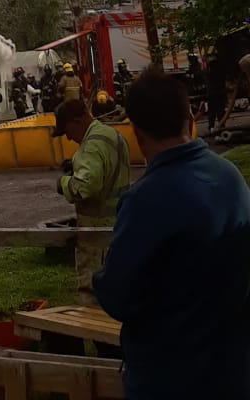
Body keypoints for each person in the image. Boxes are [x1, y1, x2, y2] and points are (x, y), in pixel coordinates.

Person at [94, 70, 250, 400]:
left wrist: (101, 274)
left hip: (169, 379)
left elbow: (117, 296)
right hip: (234, 370)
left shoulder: (145, 200)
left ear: (137, 134)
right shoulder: (230, 177)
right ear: (191, 118)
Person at [53, 98, 130, 304]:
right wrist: (77, 164)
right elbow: (105, 172)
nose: (68, 138)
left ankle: (97, 333)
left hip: (96, 235)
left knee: (94, 297)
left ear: (77, 121)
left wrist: (65, 183)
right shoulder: (110, 135)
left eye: (66, 130)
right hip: (118, 226)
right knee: (118, 292)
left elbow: (85, 187)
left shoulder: (91, 146)